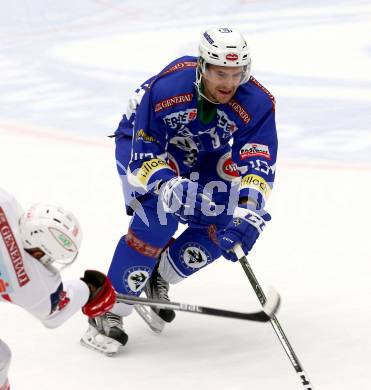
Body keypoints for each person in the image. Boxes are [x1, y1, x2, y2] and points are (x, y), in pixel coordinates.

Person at [81, 27, 277, 354]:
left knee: (227, 221)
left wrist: (248, 210)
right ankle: (108, 310)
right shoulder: (167, 88)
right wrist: (167, 184)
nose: (229, 83)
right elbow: (144, 151)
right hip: (148, 146)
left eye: (236, 73)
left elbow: (258, 161)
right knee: (157, 220)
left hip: (206, 148)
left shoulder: (256, 102)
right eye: (219, 73)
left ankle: (161, 272)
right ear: (202, 66)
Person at [0, 188, 117, 388]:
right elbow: (54, 314)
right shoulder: (30, 282)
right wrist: (89, 289)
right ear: (39, 251)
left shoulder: (6, 203)